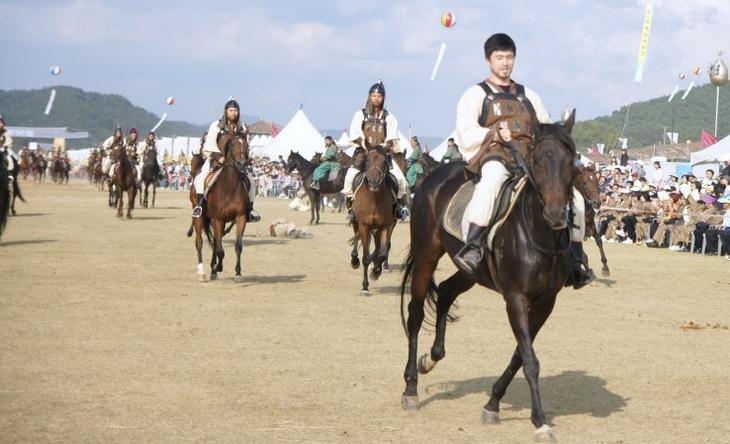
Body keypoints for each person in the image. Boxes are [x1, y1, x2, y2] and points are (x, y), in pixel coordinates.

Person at [452, 33, 592, 288]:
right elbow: (465, 131)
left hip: (528, 162)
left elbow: (545, 129)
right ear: (488, 60)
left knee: (576, 198)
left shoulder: (529, 96)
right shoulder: (476, 94)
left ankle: (575, 258)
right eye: (499, 58)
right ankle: (473, 245)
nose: (505, 63)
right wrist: (493, 133)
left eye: (509, 57)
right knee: (491, 182)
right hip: (496, 156)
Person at [342, 82, 409, 222]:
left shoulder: (389, 117)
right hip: (363, 153)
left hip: (382, 155)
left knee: (401, 180)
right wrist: (366, 145)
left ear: (383, 98)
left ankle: (398, 208)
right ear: (369, 96)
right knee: (349, 178)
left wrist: (384, 147)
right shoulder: (360, 115)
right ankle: (350, 208)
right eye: (373, 96)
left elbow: (392, 137)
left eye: (379, 96)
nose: (376, 99)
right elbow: (355, 134)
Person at [191, 99, 260, 222]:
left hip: (237, 164)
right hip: (216, 161)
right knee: (200, 179)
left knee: (252, 182)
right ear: (226, 111)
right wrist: (218, 157)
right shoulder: (216, 125)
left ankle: (250, 209)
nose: (233, 113)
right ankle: (200, 206)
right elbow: (210, 143)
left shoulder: (242, 127)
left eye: (236, 110)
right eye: (231, 110)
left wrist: (245, 158)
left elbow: (246, 145)